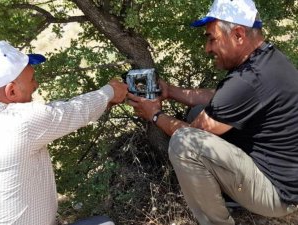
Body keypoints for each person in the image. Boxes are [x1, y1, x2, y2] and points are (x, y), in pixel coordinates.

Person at [127, 0, 298, 224]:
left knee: (185, 143)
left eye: (212, 38)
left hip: (278, 195)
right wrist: (170, 91)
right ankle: (229, 193)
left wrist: (155, 115)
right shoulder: (266, 60)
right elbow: (220, 98)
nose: (208, 48)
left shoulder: (247, 80)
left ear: (238, 34)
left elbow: (192, 132)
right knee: (199, 111)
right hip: (286, 179)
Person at [0, 40, 128, 225]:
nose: (36, 85)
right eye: (32, 79)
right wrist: (110, 92)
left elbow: (54, 110)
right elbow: (74, 111)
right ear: (11, 91)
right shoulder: (19, 122)